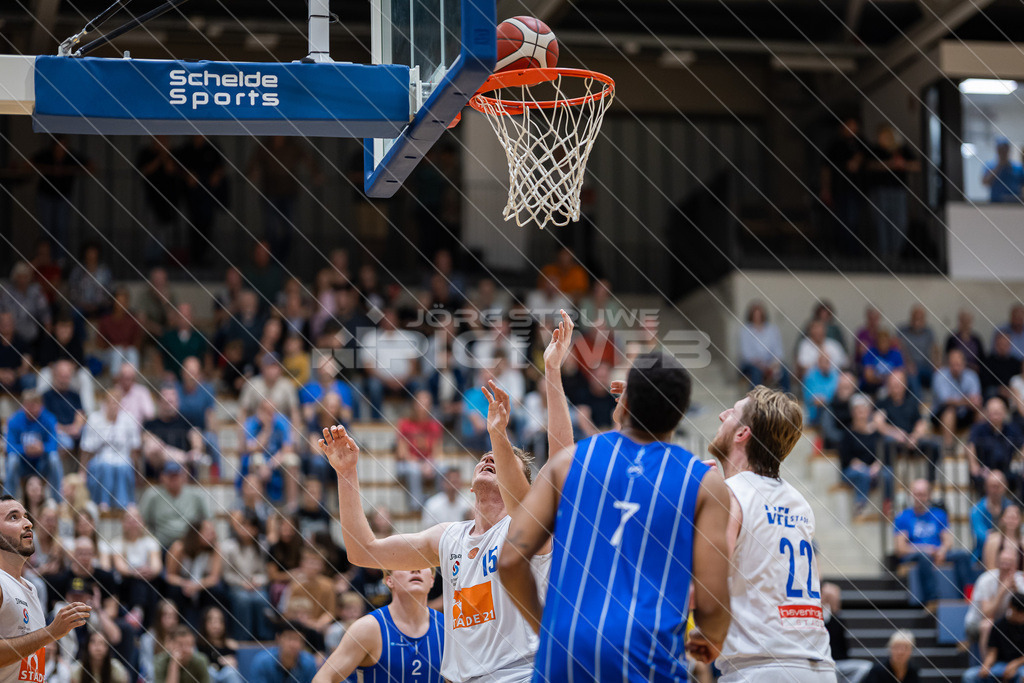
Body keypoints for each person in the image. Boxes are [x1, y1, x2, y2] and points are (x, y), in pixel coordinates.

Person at [322, 310, 578, 682]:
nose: (489, 458)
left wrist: (551, 373)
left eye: (500, 462)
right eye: (484, 459)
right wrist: (346, 475)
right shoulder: (448, 537)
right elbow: (364, 551)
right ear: (471, 485)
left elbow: (562, 462)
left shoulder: (529, 531)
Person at [498, 351, 733, 681]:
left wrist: (547, 627)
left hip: (564, 657)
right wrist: (710, 635)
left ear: (624, 405)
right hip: (648, 657)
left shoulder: (568, 462)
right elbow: (712, 602)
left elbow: (509, 560)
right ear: (680, 415)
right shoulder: (703, 482)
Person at [693, 386, 835, 681]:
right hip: (818, 666)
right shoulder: (798, 502)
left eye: (731, 412)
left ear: (742, 433)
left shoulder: (729, 495)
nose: (722, 415)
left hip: (762, 669)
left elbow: (704, 587)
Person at [0, 496, 91, 681]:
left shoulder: (32, 588)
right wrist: (51, 632)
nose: (27, 523)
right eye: (13, 517)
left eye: (26, 516)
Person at [313, 568, 444, 683]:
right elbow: (323, 678)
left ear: (432, 580)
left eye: (422, 564)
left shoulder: (449, 628)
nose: (416, 569)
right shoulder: (368, 628)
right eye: (406, 565)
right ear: (389, 580)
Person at [894, 479, 974, 608]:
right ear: (911, 495)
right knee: (924, 556)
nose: (919, 498)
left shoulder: (939, 514)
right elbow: (900, 548)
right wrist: (923, 549)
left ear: (929, 495)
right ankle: (932, 600)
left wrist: (942, 550)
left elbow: (948, 541)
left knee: (962, 555)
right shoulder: (903, 517)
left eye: (923, 494)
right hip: (915, 554)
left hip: (936, 552)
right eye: (916, 494)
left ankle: (969, 596)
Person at [866, 124, 920, 263]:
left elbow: (917, 165)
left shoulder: (902, 149)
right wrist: (889, 164)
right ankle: (882, 254)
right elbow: (869, 166)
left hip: (898, 190)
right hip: (880, 190)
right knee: (880, 221)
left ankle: (896, 254)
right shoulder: (876, 150)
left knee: (899, 221)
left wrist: (903, 165)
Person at [4, 389, 63, 500]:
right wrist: (25, 449)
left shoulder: (49, 419)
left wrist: (42, 448)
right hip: (23, 464)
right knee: (11, 460)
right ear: (23, 406)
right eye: (28, 405)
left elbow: (54, 444)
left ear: (41, 405)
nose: (30, 409)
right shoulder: (14, 420)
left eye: (34, 405)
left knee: (54, 458)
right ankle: (7, 500)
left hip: (42, 464)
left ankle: (58, 501)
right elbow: (9, 447)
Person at [820, 116, 867, 255]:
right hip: (840, 187)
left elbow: (869, 156)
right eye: (849, 125)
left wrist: (858, 159)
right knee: (843, 219)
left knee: (855, 219)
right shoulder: (836, 145)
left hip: (858, 187)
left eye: (854, 126)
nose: (852, 129)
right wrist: (825, 188)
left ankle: (854, 251)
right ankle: (844, 250)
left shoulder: (861, 144)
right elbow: (826, 168)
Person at [966, 547, 1024, 657]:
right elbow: (987, 614)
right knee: (988, 624)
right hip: (978, 623)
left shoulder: (1020, 580)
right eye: (1003, 563)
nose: (1006, 567)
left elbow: (1021, 612)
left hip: (1005, 624)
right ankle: (987, 668)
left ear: (1016, 565)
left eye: (1009, 563)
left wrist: (1016, 592)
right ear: (997, 563)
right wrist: (1002, 590)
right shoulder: (985, 580)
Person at [962, 592, 1024, 683]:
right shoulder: (999, 626)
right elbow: (992, 652)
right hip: (1001, 665)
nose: (1021, 617)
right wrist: (986, 665)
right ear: (1011, 607)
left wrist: (1015, 664)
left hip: (1021, 666)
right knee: (969, 676)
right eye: (1019, 612)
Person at [933, 349, 983, 451]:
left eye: (958, 364)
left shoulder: (972, 376)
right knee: (950, 412)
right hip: (940, 414)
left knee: (981, 412)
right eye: (953, 364)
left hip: (964, 413)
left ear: (964, 363)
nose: (956, 368)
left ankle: (979, 447)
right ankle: (948, 448)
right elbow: (945, 400)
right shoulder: (940, 375)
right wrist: (967, 401)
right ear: (948, 364)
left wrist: (966, 402)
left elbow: (976, 400)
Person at [737, 301, 789, 391]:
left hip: (770, 364)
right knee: (756, 372)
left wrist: (773, 364)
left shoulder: (772, 330)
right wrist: (760, 365)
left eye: (759, 315)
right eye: (755, 315)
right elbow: (746, 354)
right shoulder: (745, 330)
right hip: (752, 364)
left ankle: (787, 399)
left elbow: (778, 352)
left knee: (784, 370)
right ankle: (754, 400)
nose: (757, 317)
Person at [250, 625, 318, 683]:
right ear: (278, 638)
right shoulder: (262, 662)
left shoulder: (309, 663)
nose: (294, 644)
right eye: (290, 638)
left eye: (299, 640)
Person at [196, 607, 242, 683]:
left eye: (220, 621)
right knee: (210, 671)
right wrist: (220, 661)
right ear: (205, 623)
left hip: (227, 677)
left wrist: (232, 662)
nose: (216, 626)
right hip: (209, 677)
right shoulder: (198, 645)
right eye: (212, 621)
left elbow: (233, 663)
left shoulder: (230, 645)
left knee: (231, 672)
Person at [973, 471, 1012, 561]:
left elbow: (1017, 534)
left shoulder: (1011, 507)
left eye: (999, 486)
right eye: (993, 486)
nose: (996, 490)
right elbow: (982, 537)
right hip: (981, 558)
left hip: (1009, 557)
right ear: (986, 487)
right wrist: (1005, 536)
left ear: (1005, 486)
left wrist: (993, 535)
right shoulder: (977, 510)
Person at [983, 137, 1024, 203]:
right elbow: (985, 182)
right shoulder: (990, 165)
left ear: (1008, 150)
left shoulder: (1018, 167)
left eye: (1005, 149)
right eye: (1001, 149)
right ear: (997, 150)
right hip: (996, 203)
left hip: (1014, 202)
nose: (1003, 152)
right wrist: (999, 166)